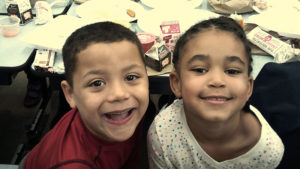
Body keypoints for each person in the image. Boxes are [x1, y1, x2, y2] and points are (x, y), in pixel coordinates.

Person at [147, 16, 284, 169]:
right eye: (200, 70)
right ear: (177, 83)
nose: (217, 81)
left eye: (232, 71)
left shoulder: (268, 151)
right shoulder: (162, 134)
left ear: (248, 88)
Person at [21, 21, 149, 169]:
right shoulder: (72, 164)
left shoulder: (126, 113)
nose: (119, 94)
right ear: (71, 94)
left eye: (131, 77)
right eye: (97, 83)